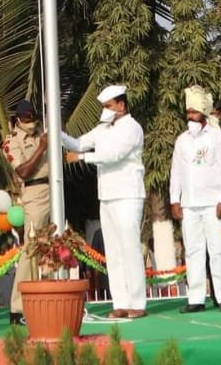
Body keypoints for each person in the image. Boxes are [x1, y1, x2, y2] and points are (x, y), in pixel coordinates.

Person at [62, 84, 146, 320]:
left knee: (130, 249)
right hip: (107, 195)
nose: (105, 111)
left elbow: (114, 155)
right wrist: (57, 134)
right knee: (115, 252)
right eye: (103, 107)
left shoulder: (132, 128)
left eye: (108, 106)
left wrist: (82, 158)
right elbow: (78, 143)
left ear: (121, 105)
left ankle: (137, 303)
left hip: (128, 194)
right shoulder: (103, 129)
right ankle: (120, 302)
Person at [169, 87, 221, 314]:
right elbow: (176, 173)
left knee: (218, 251)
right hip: (189, 205)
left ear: (204, 113)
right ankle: (196, 299)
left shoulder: (217, 138)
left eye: (194, 112)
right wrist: (174, 200)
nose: (190, 115)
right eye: (188, 112)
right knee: (193, 252)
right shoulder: (182, 140)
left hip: (213, 204)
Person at [2, 98, 49, 325]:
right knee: (31, 249)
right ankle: (18, 307)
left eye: (33, 116)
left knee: (51, 248)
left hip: (54, 189)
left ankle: (47, 300)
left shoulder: (44, 130)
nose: (31, 121)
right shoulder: (12, 142)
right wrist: (41, 147)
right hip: (35, 192)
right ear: (18, 119)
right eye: (26, 118)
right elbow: (23, 171)